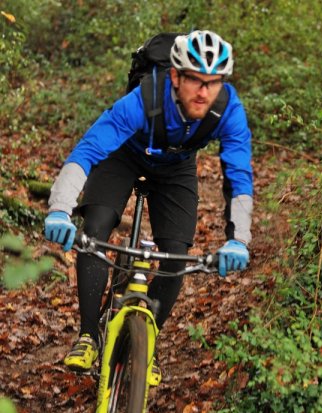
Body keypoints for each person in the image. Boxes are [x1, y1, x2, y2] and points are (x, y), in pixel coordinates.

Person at [44, 30, 253, 373]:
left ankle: (145, 343)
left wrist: (238, 239)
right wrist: (59, 210)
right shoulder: (144, 99)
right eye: (195, 81)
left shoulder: (228, 110)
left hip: (176, 169)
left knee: (176, 255)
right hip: (125, 155)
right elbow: (89, 150)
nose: (204, 92)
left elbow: (239, 176)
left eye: (213, 83)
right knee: (95, 227)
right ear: (175, 75)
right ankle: (87, 336)